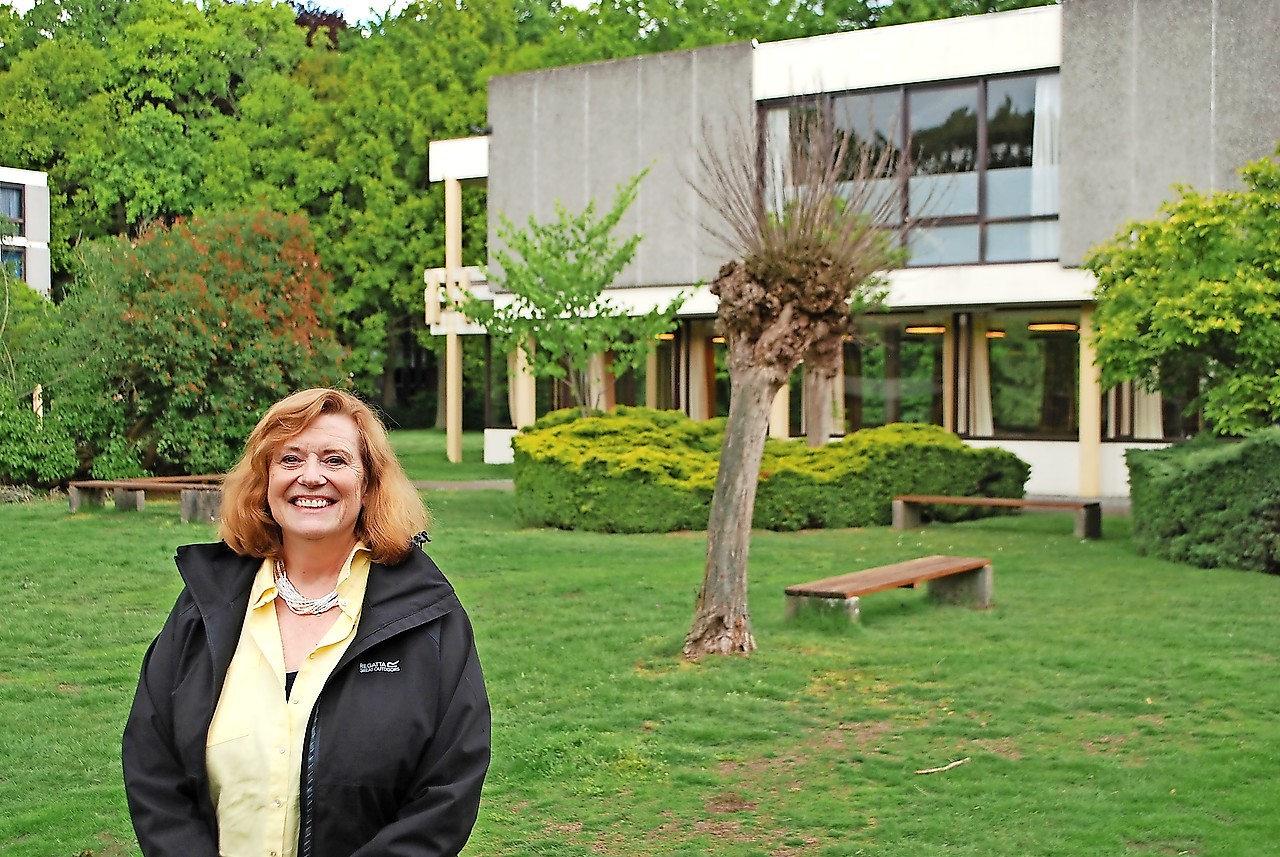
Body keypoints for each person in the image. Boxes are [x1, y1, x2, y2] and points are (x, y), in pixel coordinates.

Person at [122, 388, 490, 857]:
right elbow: (152, 763)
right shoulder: (203, 605)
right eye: (290, 459)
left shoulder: (428, 617)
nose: (310, 477)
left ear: (369, 483)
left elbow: (448, 789)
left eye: (335, 460)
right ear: (266, 479)